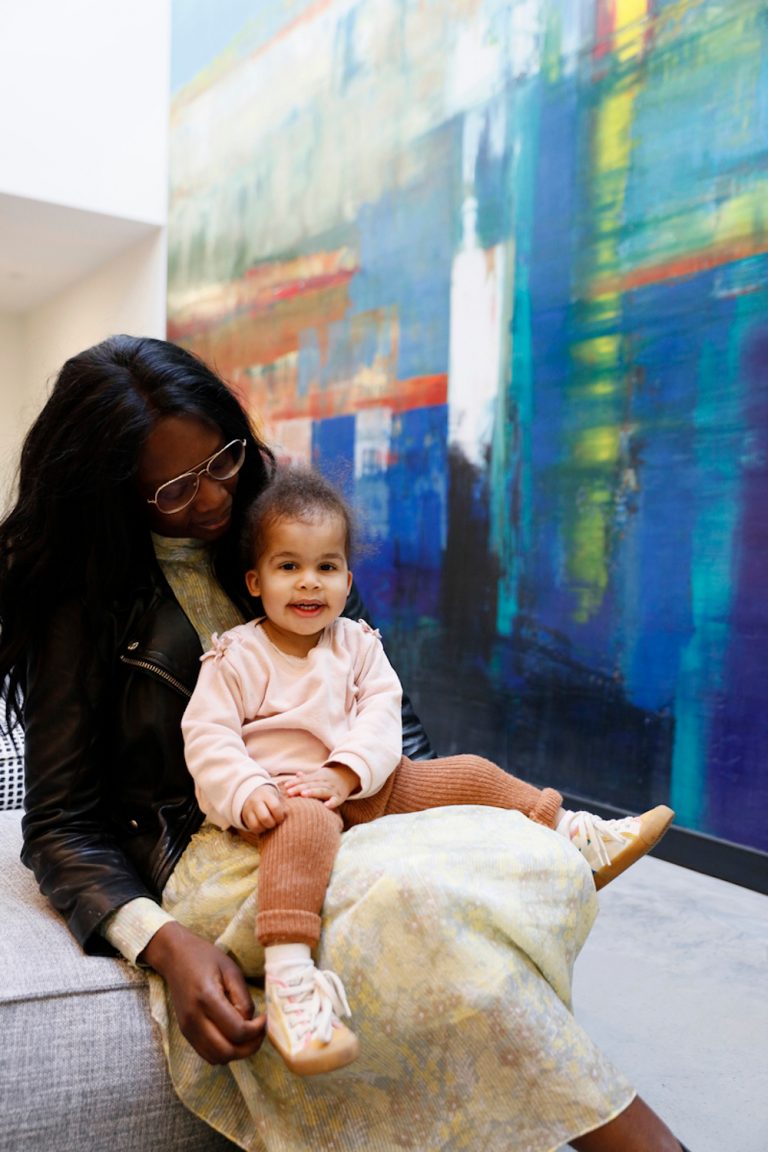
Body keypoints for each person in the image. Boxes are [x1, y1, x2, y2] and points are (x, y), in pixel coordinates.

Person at [0, 334, 688, 1151]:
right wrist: (165, 942)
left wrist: (396, 792)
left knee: (490, 848)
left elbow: (377, 695)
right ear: (114, 494)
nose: (214, 498)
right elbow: (60, 825)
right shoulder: (83, 599)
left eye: (222, 459)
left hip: (343, 794)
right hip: (221, 841)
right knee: (421, 918)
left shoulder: (276, 525)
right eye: (175, 490)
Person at [181, 466, 674, 1076]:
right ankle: (291, 985)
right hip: (285, 798)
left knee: (469, 772)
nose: (309, 583)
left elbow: (382, 718)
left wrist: (346, 773)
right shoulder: (236, 656)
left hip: (364, 785)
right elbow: (208, 738)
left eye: (326, 567)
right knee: (302, 833)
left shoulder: (358, 644)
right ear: (255, 581)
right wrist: (247, 789)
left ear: (347, 579)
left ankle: (574, 833)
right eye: (288, 567)